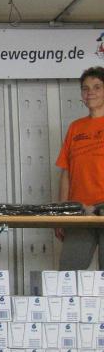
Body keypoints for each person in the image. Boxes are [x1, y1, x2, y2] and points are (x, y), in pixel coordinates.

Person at [54, 66, 104, 270]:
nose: (90, 92)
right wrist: (61, 212)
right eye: (85, 88)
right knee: (69, 273)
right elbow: (66, 172)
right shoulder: (75, 128)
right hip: (80, 210)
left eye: (97, 87)